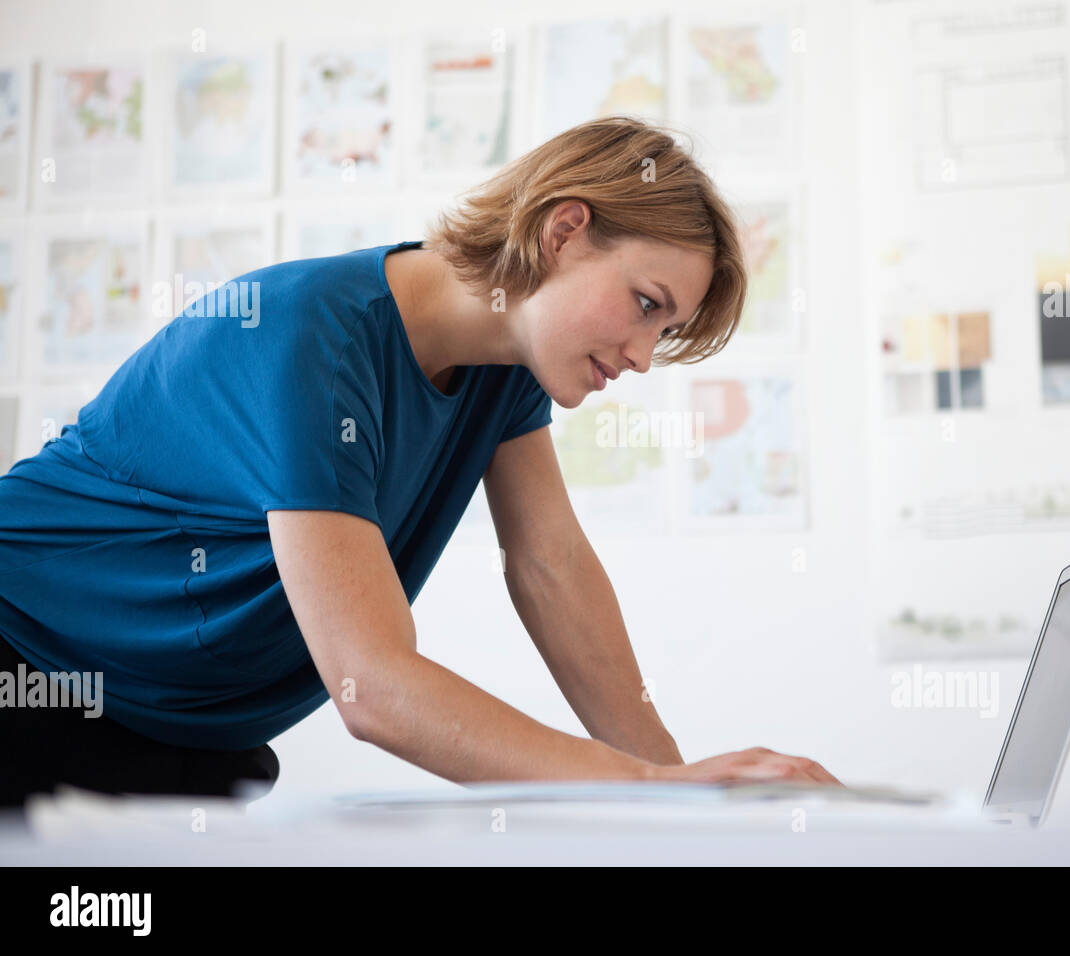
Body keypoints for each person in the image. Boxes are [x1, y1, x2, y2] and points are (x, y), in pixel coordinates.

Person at [0, 116, 841, 812]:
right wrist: (650, 788)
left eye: (665, 332)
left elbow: (551, 566)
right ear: (564, 230)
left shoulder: (501, 374)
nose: (644, 358)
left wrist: (690, 799)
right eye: (646, 306)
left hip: (180, 733)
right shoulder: (311, 340)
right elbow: (374, 688)